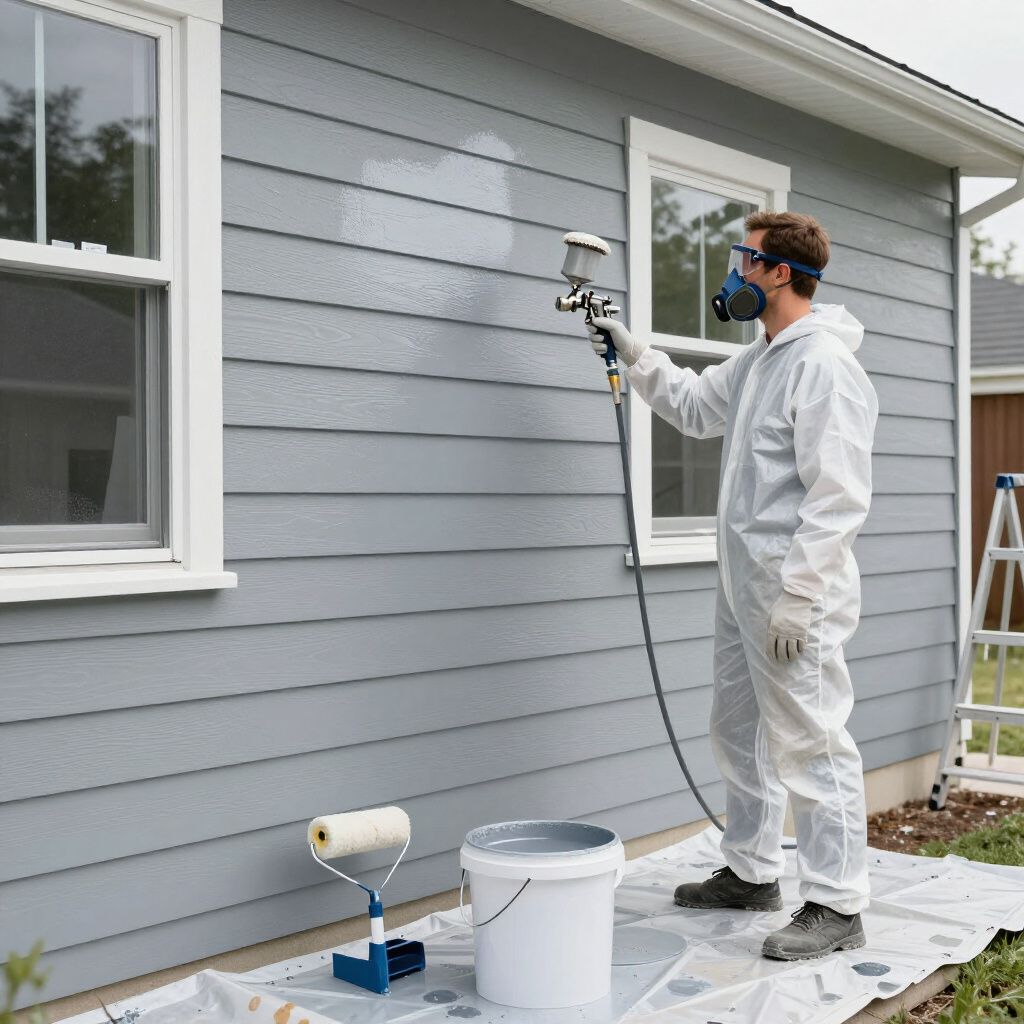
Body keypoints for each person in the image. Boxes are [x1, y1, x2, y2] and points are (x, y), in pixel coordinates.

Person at [587, 211, 878, 961]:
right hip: (743, 587)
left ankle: (837, 903)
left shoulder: (823, 365)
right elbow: (691, 407)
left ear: (781, 273)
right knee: (737, 730)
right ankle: (753, 871)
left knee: (811, 742)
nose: (734, 275)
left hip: (792, 595)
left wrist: (801, 594)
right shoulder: (762, 359)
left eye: (745, 261)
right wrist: (635, 351)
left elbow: (838, 494)